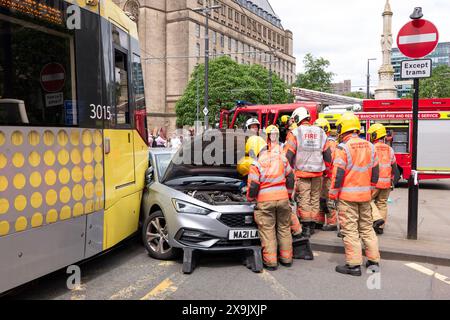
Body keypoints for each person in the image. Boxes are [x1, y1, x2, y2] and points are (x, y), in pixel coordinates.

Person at [329, 113, 380, 276]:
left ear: (343, 128)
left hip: (347, 198)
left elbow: (337, 175)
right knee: (367, 228)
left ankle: (354, 265)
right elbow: (376, 171)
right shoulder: (370, 146)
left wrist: (332, 195)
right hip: (365, 196)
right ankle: (373, 261)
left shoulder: (343, 148)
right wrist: (370, 189)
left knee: (350, 230)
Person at [246, 136, 296, 271]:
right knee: (284, 228)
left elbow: (254, 186)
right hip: (283, 199)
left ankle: (271, 262)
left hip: (265, 202)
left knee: (268, 231)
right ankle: (287, 259)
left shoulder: (256, 164)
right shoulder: (281, 158)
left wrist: (250, 199)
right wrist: (288, 193)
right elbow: (290, 177)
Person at [284, 107, 332, 238]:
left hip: (302, 173)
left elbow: (288, 155)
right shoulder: (321, 132)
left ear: (298, 118)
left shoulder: (295, 133)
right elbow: (328, 155)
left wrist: (286, 172)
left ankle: (306, 227)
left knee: (304, 199)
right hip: (318, 173)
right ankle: (312, 225)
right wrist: (327, 170)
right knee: (315, 199)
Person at [265, 125, 302, 237]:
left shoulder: (268, 149)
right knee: (286, 208)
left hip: (280, 183)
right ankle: (297, 230)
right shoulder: (282, 147)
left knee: (286, 209)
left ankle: (296, 230)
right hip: (286, 180)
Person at [367, 123, 398, 235]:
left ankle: (376, 218)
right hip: (387, 183)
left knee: (367, 200)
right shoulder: (390, 149)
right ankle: (380, 227)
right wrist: (392, 181)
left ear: (375, 135)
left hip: (374, 183)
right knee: (382, 203)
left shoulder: (371, 148)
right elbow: (394, 167)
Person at [314, 118, 338, 232]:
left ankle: (332, 222)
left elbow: (330, 159)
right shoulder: (321, 142)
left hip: (328, 176)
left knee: (328, 200)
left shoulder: (330, 143)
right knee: (321, 199)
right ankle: (320, 221)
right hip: (322, 175)